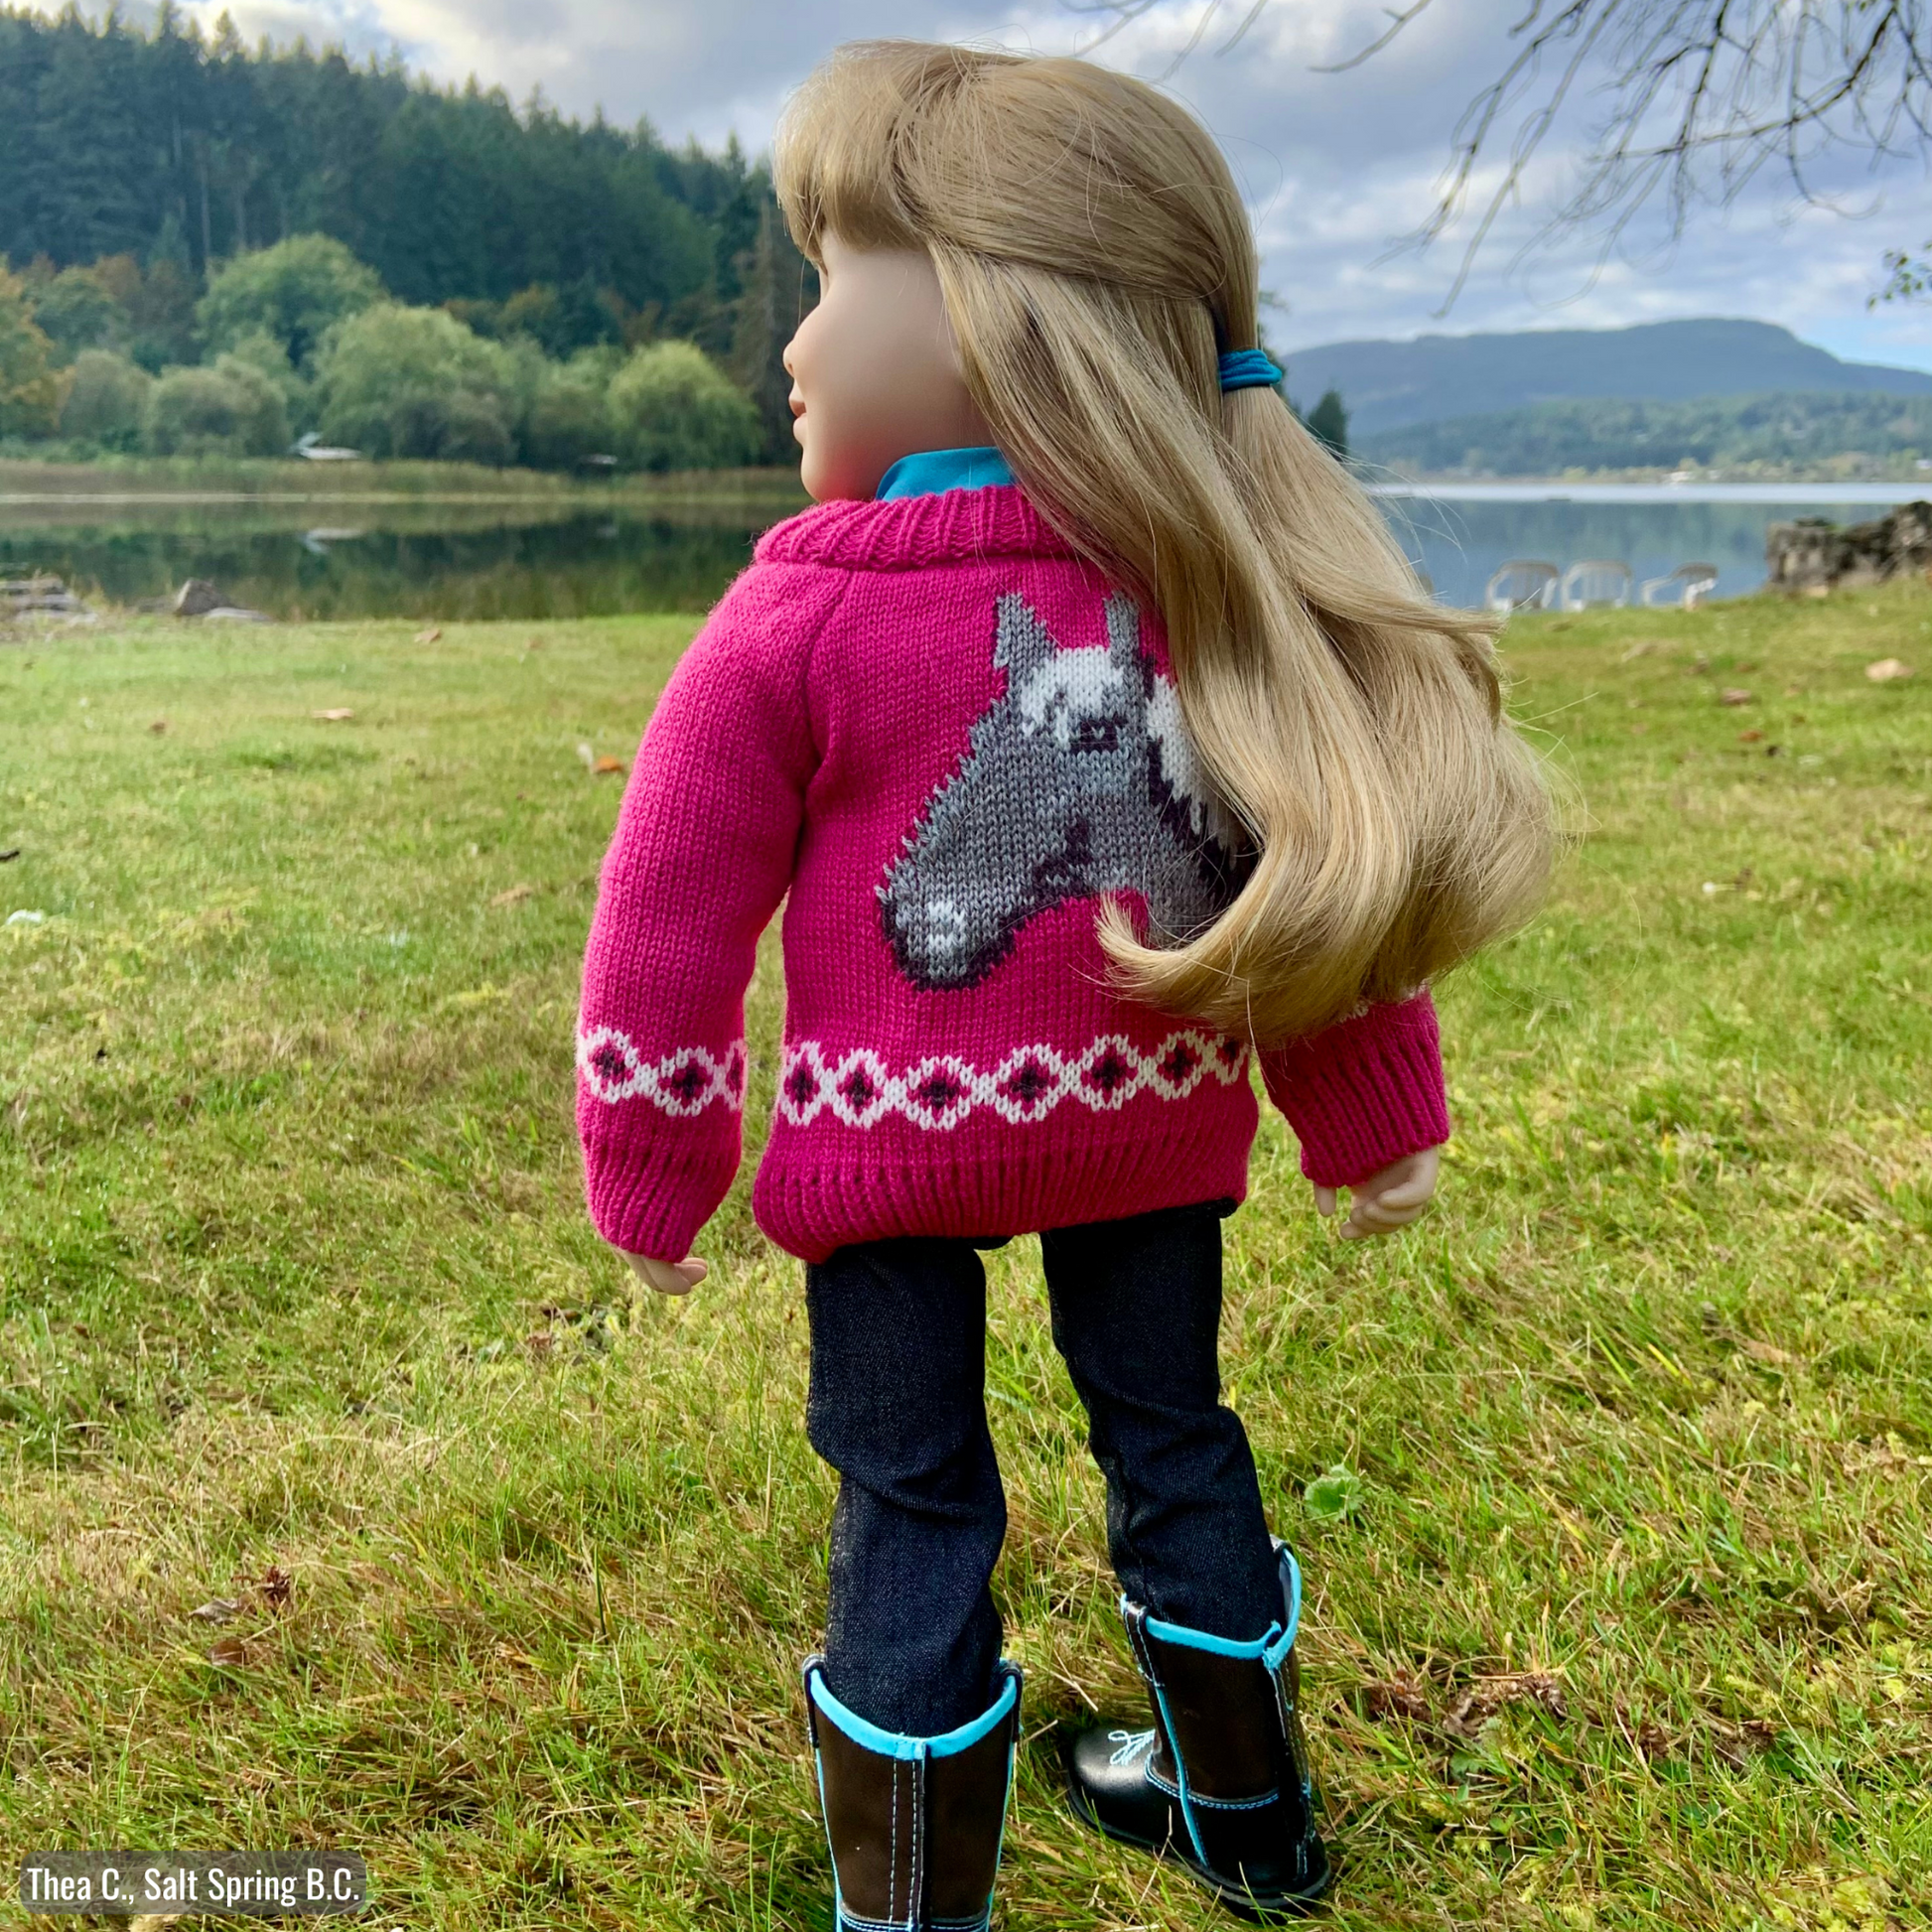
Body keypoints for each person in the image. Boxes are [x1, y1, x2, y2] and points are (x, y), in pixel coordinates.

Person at [575, 38, 1555, 1929]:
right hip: (1144, 1141)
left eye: (834, 279)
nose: (793, 344)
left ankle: (910, 1905)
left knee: (910, 1493)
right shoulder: (1196, 591)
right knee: (1172, 1434)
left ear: (991, 310)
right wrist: (1372, 1120)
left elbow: (667, 918)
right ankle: (1247, 1820)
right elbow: (1311, 872)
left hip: (885, 1158)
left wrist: (652, 1153)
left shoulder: (795, 610)